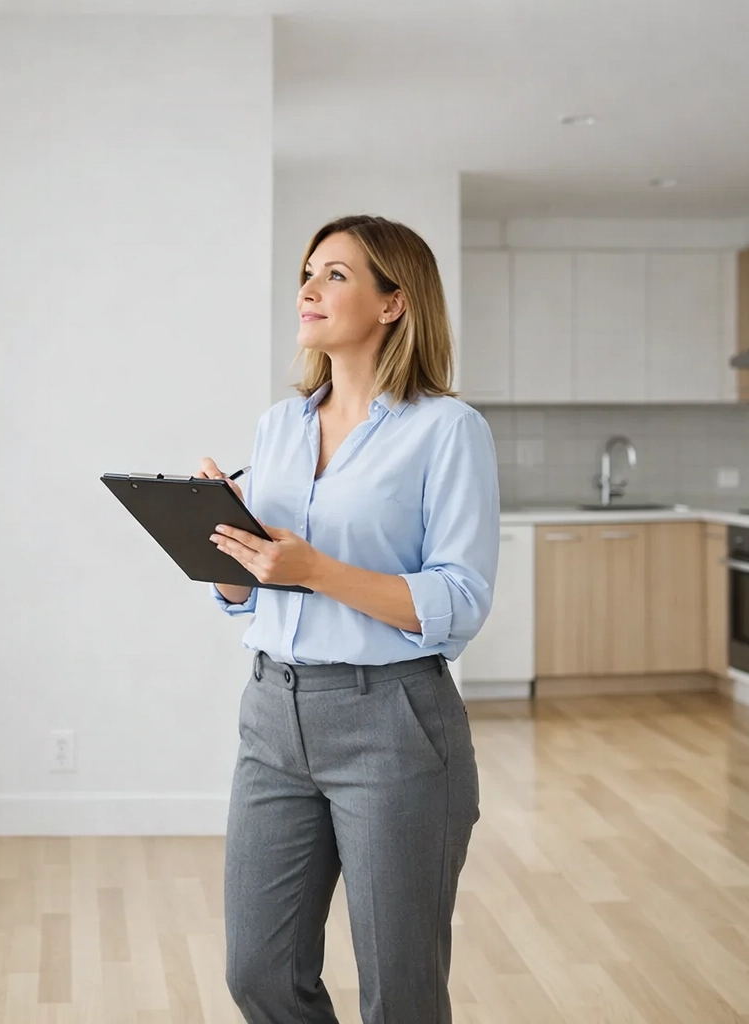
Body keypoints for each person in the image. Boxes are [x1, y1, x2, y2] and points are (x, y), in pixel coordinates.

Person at [196, 214, 499, 1024]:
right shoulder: (278, 426)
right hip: (272, 715)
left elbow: (460, 601)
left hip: (393, 723)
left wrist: (317, 571)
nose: (307, 287)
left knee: (400, 991)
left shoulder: (448, 430)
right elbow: (252, 593)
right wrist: (224, 547)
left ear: (394, 302)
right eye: (306, 271)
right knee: (257, 970)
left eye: (335, 273)